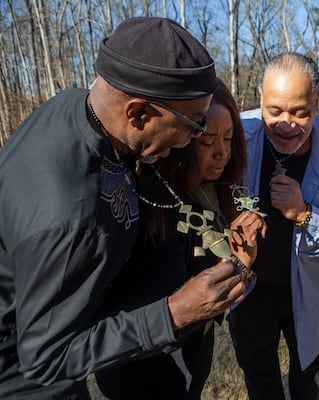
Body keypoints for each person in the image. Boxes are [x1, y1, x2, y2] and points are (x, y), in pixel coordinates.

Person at [0, 17, 250, 399]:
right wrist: (174, 313)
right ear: (137, 113)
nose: (192, 139)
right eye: (194, 124)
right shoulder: (71, 219)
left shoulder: (77, 108)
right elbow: (44, 358)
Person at [93, 78, 267, 399]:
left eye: (229, 138)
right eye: (206, 142)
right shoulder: (157, 202)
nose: (222, 153)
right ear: (181, 138)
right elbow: (175, 302)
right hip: (145, 360)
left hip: (193, 343)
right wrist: (239, 264)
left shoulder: (218, 190)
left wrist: (240, 255)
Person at [227, 52, 319, 399]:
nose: (286, 123)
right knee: (258, 375)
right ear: (260, 99)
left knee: (309, 378)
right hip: (249, 290)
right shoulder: (235, 136)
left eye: (300, 112)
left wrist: (304, 213)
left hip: (308, 290)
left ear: (316, 100)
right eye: (274, 111)